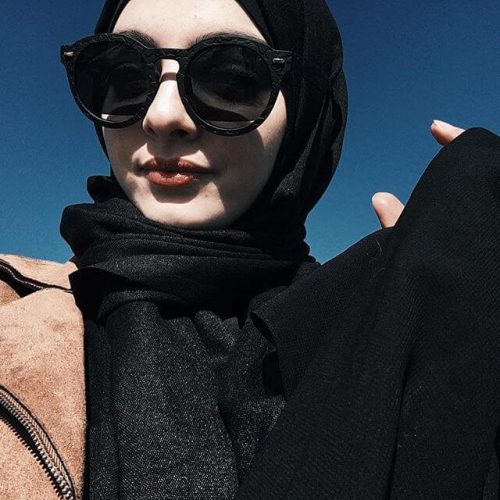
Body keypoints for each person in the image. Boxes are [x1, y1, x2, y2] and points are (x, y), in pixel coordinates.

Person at [1, 1, 499, 500]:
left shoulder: (377, 326)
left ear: (307, 109)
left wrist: (441, 350)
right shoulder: (12, 320)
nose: (162, 116)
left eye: (232, 79)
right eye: (124, 74)